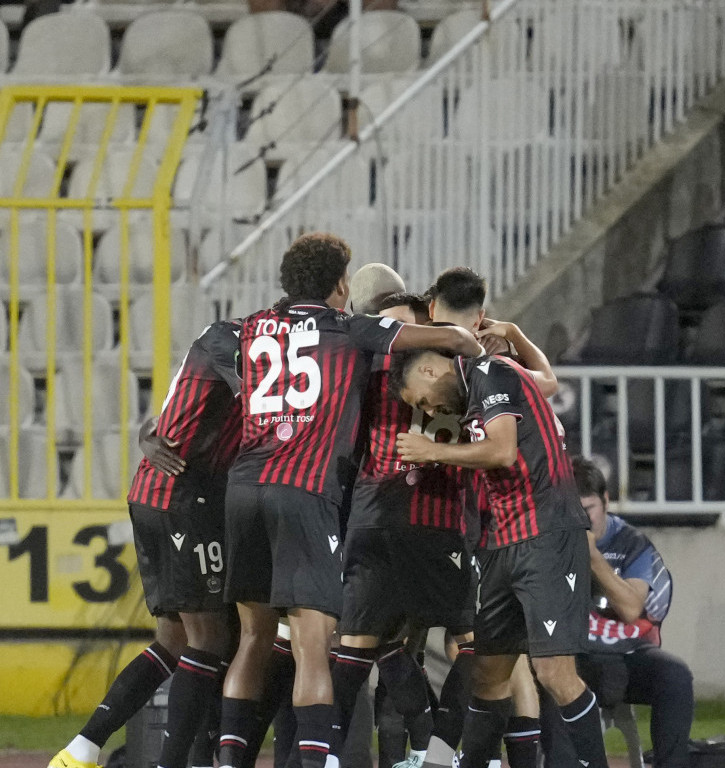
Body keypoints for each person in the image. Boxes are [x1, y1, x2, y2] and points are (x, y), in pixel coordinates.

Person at [217, 233, 483, 768]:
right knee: (315, 648)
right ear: (341, 285)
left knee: (253, 640)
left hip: (243, 490)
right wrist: (476, 341)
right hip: (306, 492)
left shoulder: (247, 329)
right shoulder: (351, 329)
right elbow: (456, 342)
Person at [387, 344, 608, 768]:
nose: (427, 410)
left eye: (420, 398)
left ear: (431, 370)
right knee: (488, 675)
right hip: (505, 542)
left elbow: (503, 450)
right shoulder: (480, 390)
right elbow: (546, 380)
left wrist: (432, 450)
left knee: (554, 673)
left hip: (547, 535)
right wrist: (514, 332)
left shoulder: (489, 370)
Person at [48, 321, 243, 768]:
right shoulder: (238, 345)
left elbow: (164, 416)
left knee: (174, 641)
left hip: (161, 495)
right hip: (184, 499)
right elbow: (267, 402)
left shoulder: (221, 343)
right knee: (211, 638)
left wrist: (146, 433)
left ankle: (81, 750)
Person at [329, 289, 481, 768]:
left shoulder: (378, 373)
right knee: (474, 644)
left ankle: (334, 756)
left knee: (370, 646)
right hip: (420, 523)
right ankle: (438, 751)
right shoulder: (457, 371)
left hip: (387, 519)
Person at [543, 457, 692, 768]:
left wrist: (594, 558)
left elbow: (630, 608)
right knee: (553, 679)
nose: (581, 520)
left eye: (588, 510)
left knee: (675, 675)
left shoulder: (631, 543)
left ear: (606, 501)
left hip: (626, 653)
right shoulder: (548, 541)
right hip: (574, 656)